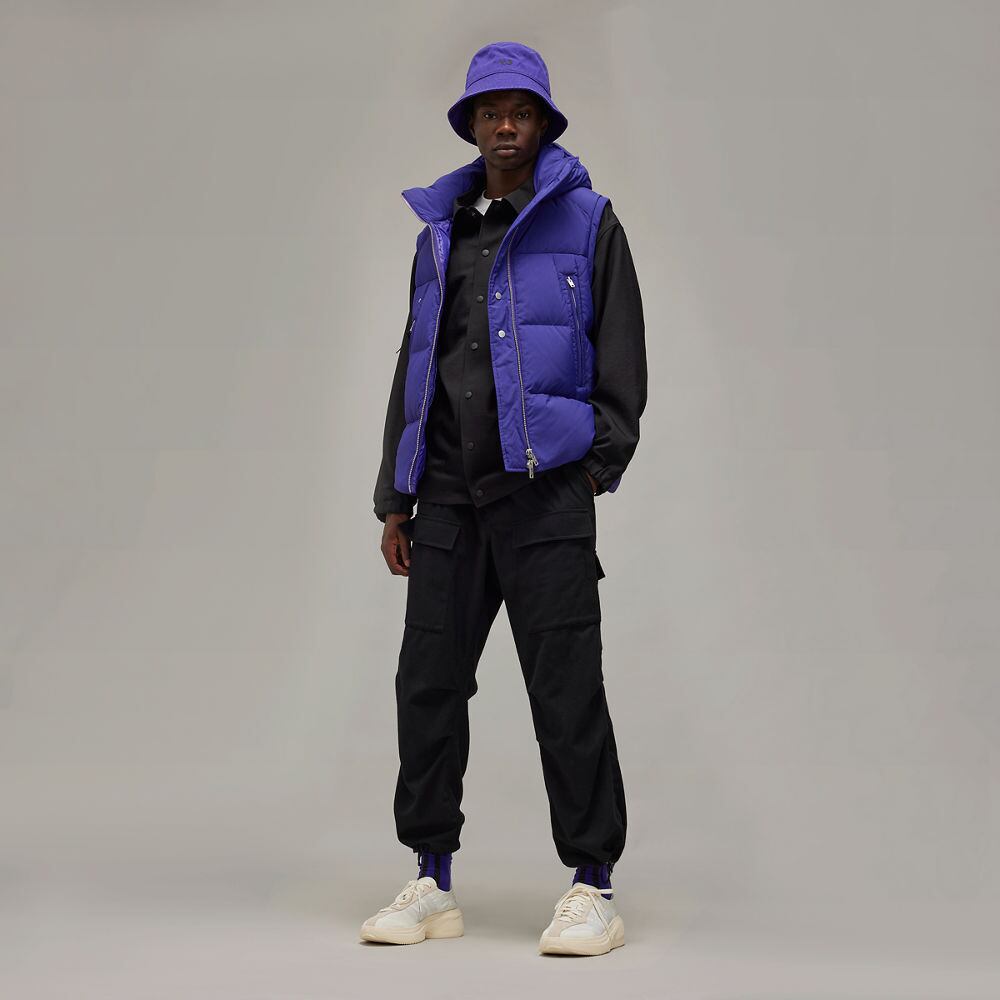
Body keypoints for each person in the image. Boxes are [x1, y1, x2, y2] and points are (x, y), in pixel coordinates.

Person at [363, 41, 647, 957]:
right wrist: (397, 495)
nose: (506, 127)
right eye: (491, 112)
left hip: (543, 499)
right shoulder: (440, 236)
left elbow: (622, 354)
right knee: (428, 685)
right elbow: (415, 366)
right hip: (448, 498)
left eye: (522, 112)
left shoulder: (590, 222)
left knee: (566, 690)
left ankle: (593, 885)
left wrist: (594, 466)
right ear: (472, 126)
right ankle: (431, 880)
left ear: (544, 124)